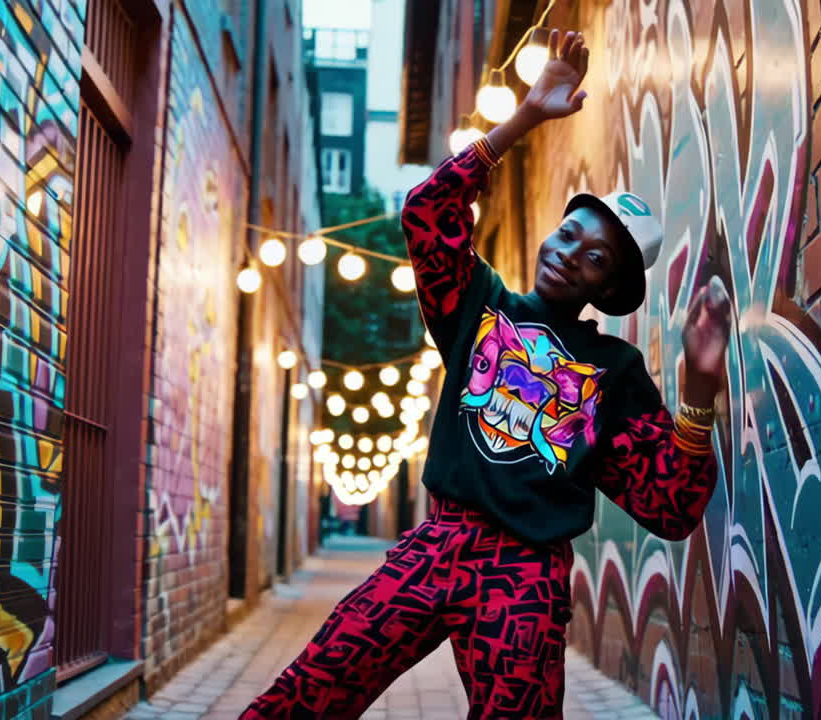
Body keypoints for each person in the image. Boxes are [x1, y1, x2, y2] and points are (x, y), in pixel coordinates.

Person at [241, 29, 729, 719]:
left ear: (608, 286)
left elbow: (669, 506)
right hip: (436, 544)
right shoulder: (481, 305)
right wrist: (523, 119)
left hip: (525, 574)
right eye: (568, 234)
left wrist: (700, 392)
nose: (569, 254)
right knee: (311, 688)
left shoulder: (614, 371)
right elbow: (427, 212)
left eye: (593, 257)